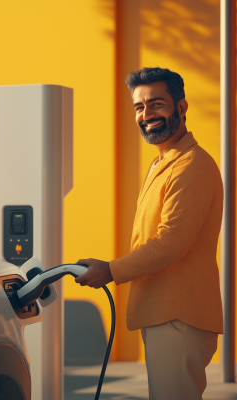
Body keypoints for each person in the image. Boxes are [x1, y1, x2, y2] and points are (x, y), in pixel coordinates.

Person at [76, 67, 224, 400]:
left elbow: (171, 242)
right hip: (165, 313)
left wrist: (111, 271)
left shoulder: (191, 166)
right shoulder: (164, 162)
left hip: (179, 314)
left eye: (156, 104)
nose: (146, 114)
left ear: (181, 107)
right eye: (139, 107)